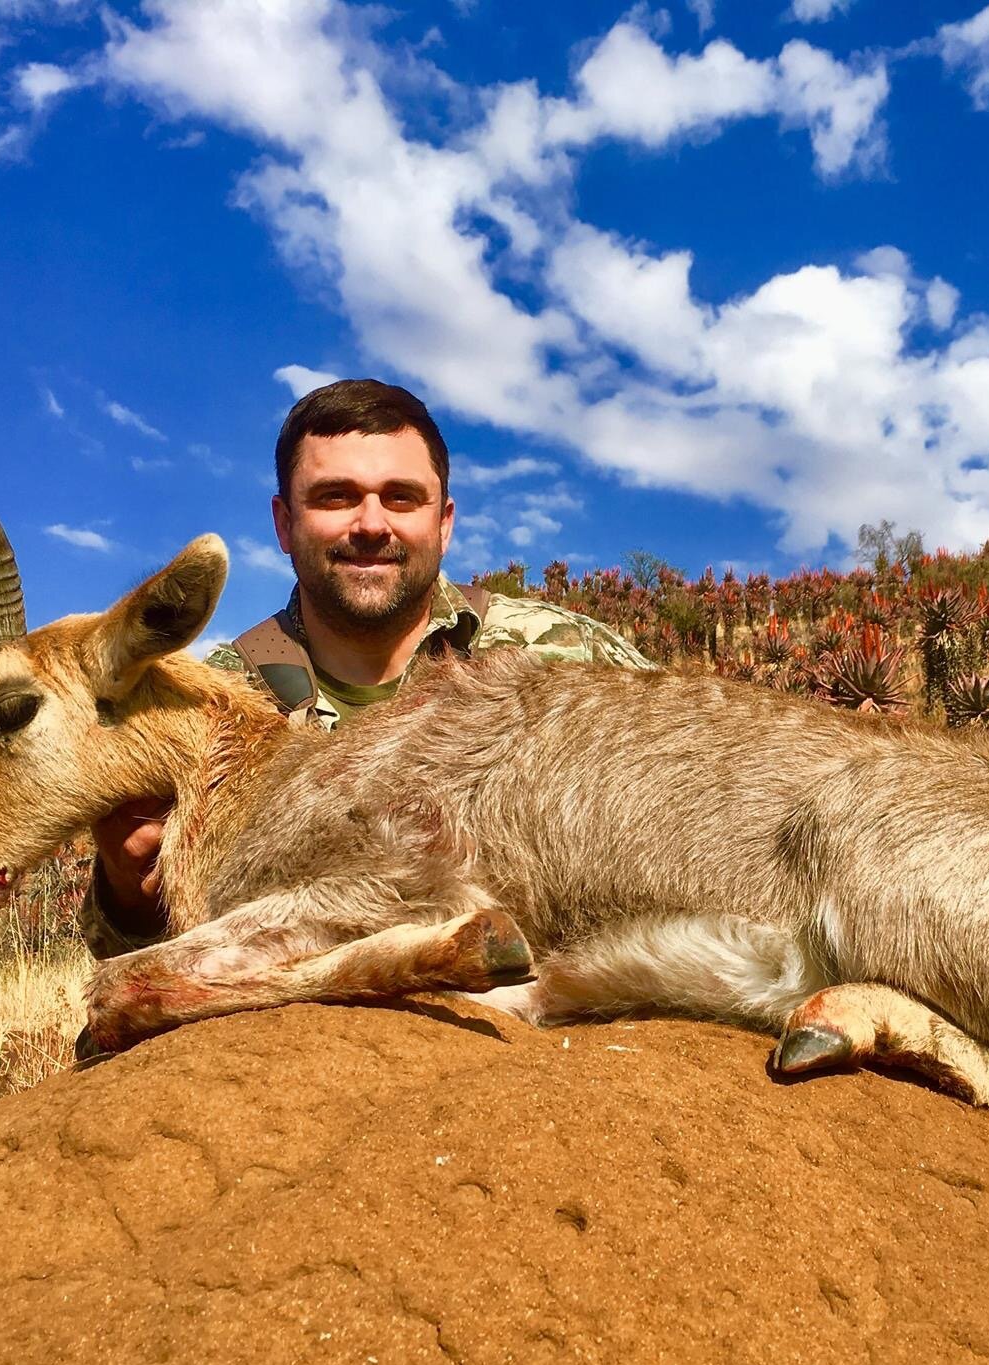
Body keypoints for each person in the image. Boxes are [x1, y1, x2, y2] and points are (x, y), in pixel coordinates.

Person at [80, 378, 652, 961]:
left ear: (445, 522)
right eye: (335, 497)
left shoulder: (569, 653)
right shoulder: (213, 704)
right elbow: (138, 957)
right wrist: (129, 890)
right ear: (283, 523)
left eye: (401, 497)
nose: (372, 524)